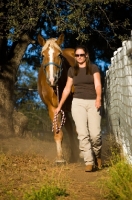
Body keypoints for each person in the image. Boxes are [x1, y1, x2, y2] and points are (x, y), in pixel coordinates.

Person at [55, 45, 102, 172]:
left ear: (86, 55)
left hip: (93, 102)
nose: (79, 57)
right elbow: (66, 89)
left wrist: (98, 98)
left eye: (81, 55)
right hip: (77, 103)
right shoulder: (72, 70)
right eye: (77, 55)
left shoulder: (93, 68)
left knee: (95, 135)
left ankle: (97, 155)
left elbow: (98, 85)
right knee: (82, 134)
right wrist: (59, 106)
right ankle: (89, 161)